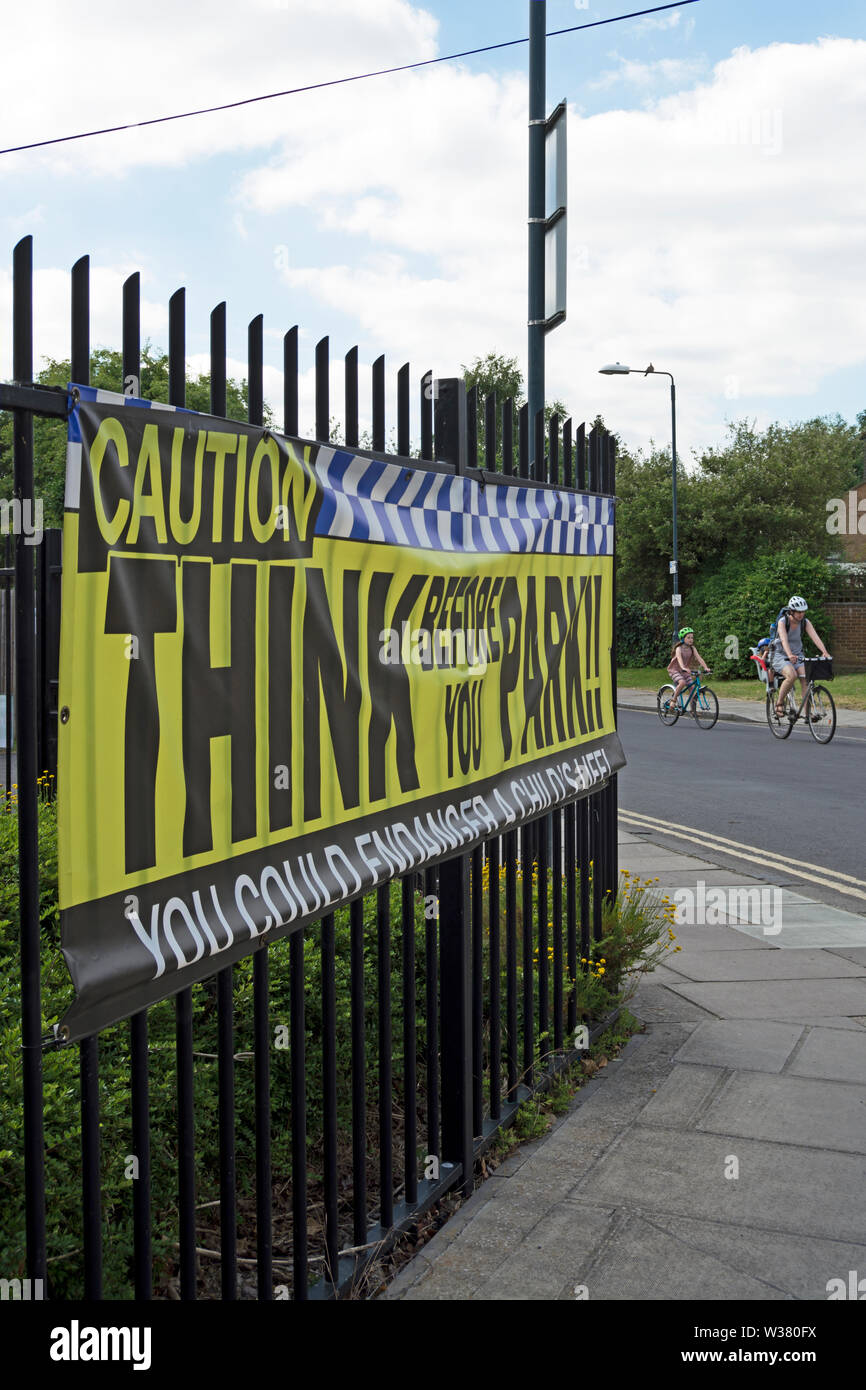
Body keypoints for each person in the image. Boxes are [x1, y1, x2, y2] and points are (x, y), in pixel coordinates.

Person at [771, 596, 832, 720]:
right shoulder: (783, 622)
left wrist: (824, 652)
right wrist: (789, 655)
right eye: (799, 612)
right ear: (791, 611)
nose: (801, 614)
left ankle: (807, 713)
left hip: (797, 655)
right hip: (780, 655)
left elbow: (815, 637)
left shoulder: (805, 622)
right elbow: (784, 640)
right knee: (791, 676)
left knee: (806, 679)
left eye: (803, 611)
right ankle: (779, 703)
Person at [666, 627, 710, 702]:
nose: (691, 639)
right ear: (683, 639)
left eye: (692, 638)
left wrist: (706, 667)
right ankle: (673, 700)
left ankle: (693, 711)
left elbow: (699, 658)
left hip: (684, 671)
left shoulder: (692, 648)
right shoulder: (678, 649)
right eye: (688, 637)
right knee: (682, 682)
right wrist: (683, 667)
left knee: (692, 688)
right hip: (675, 670)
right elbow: (680, 660)